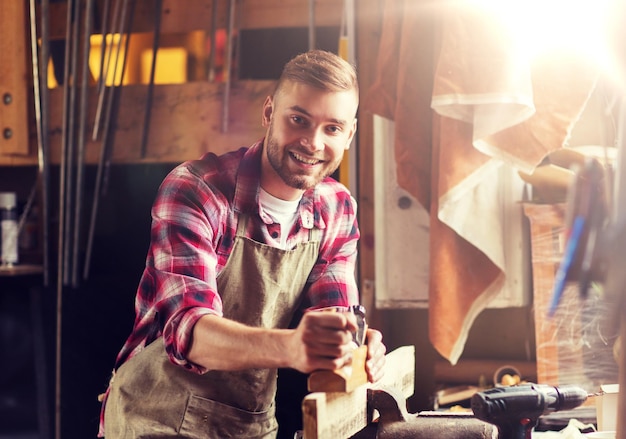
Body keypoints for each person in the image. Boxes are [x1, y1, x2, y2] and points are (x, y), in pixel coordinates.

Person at [98, 49, 386, 439]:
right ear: (269, 113)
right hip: (154, 416)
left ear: (349, 135)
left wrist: (352, 347)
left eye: (332, 128)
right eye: (298, 119)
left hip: (247, 424)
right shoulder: (197, 189)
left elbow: (335, 318)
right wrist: (294, 347)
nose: (313, 143)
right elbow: (191, 332)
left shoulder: (336, 208)